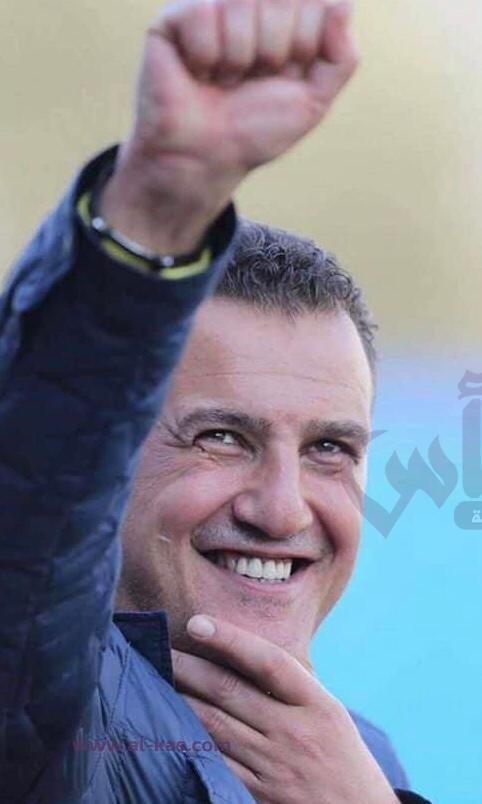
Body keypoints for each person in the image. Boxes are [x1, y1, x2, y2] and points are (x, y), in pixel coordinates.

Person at [0, 0, 431, 801]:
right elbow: (35, 471)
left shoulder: (355, 757)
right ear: (109, 458)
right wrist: (157, 204)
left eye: (329, 449)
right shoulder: (51, 709)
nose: (282, 509)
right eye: (223, 437)